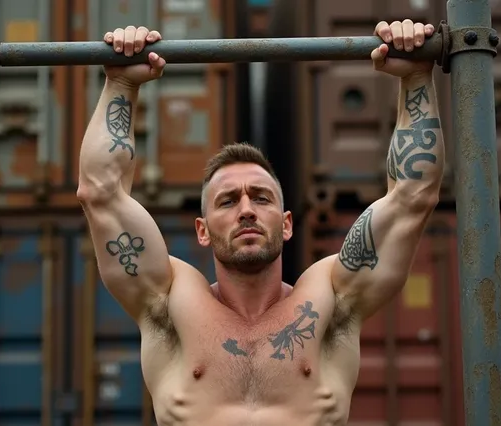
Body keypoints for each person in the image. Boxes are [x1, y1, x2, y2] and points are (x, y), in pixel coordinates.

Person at [77, 19, 443, 426]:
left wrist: (415, 78)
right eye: (228, 201)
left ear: (287, 224)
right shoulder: (168, 304)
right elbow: (101, 193)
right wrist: (121, 85)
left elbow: (413, 196)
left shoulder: (331, 302)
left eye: (261, 197)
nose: (246, 209)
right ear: (202, 229)